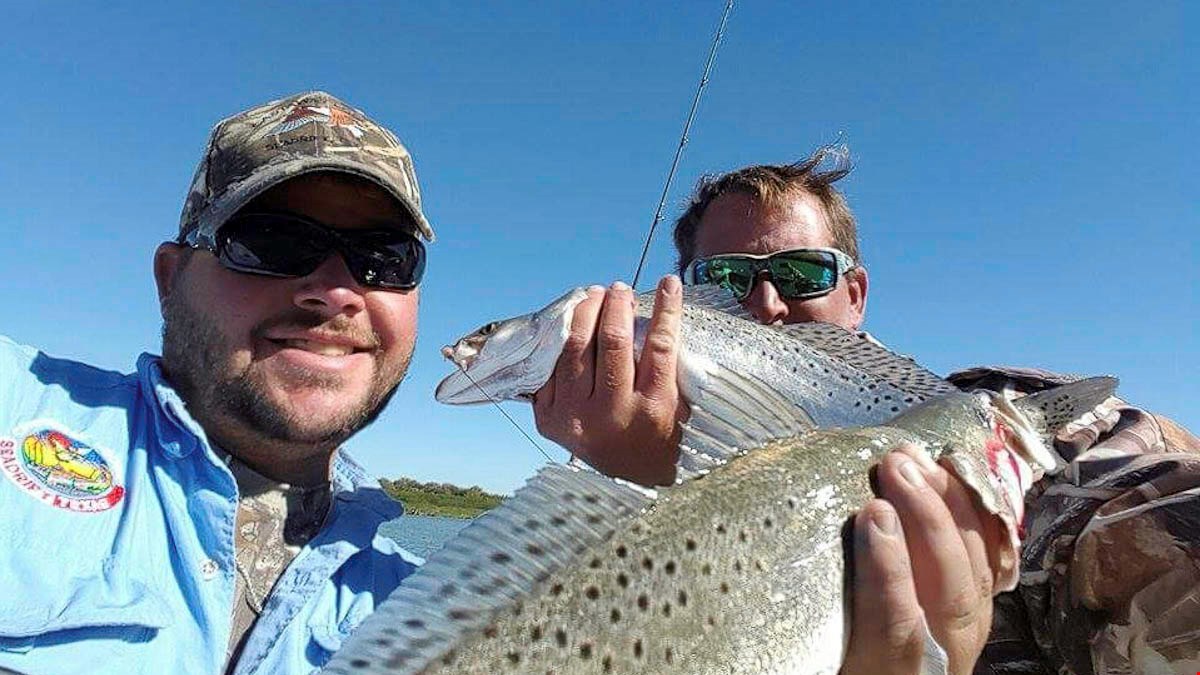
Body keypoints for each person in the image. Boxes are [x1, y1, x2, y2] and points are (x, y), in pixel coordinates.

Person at [532, 147, 1200, 674]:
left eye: (802, 274)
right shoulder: (613, 465)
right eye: (727, 279)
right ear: (679, 298)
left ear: (855, 293)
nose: (766, 304)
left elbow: (1138, 515)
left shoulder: (1014, 425)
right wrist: (654, 491)